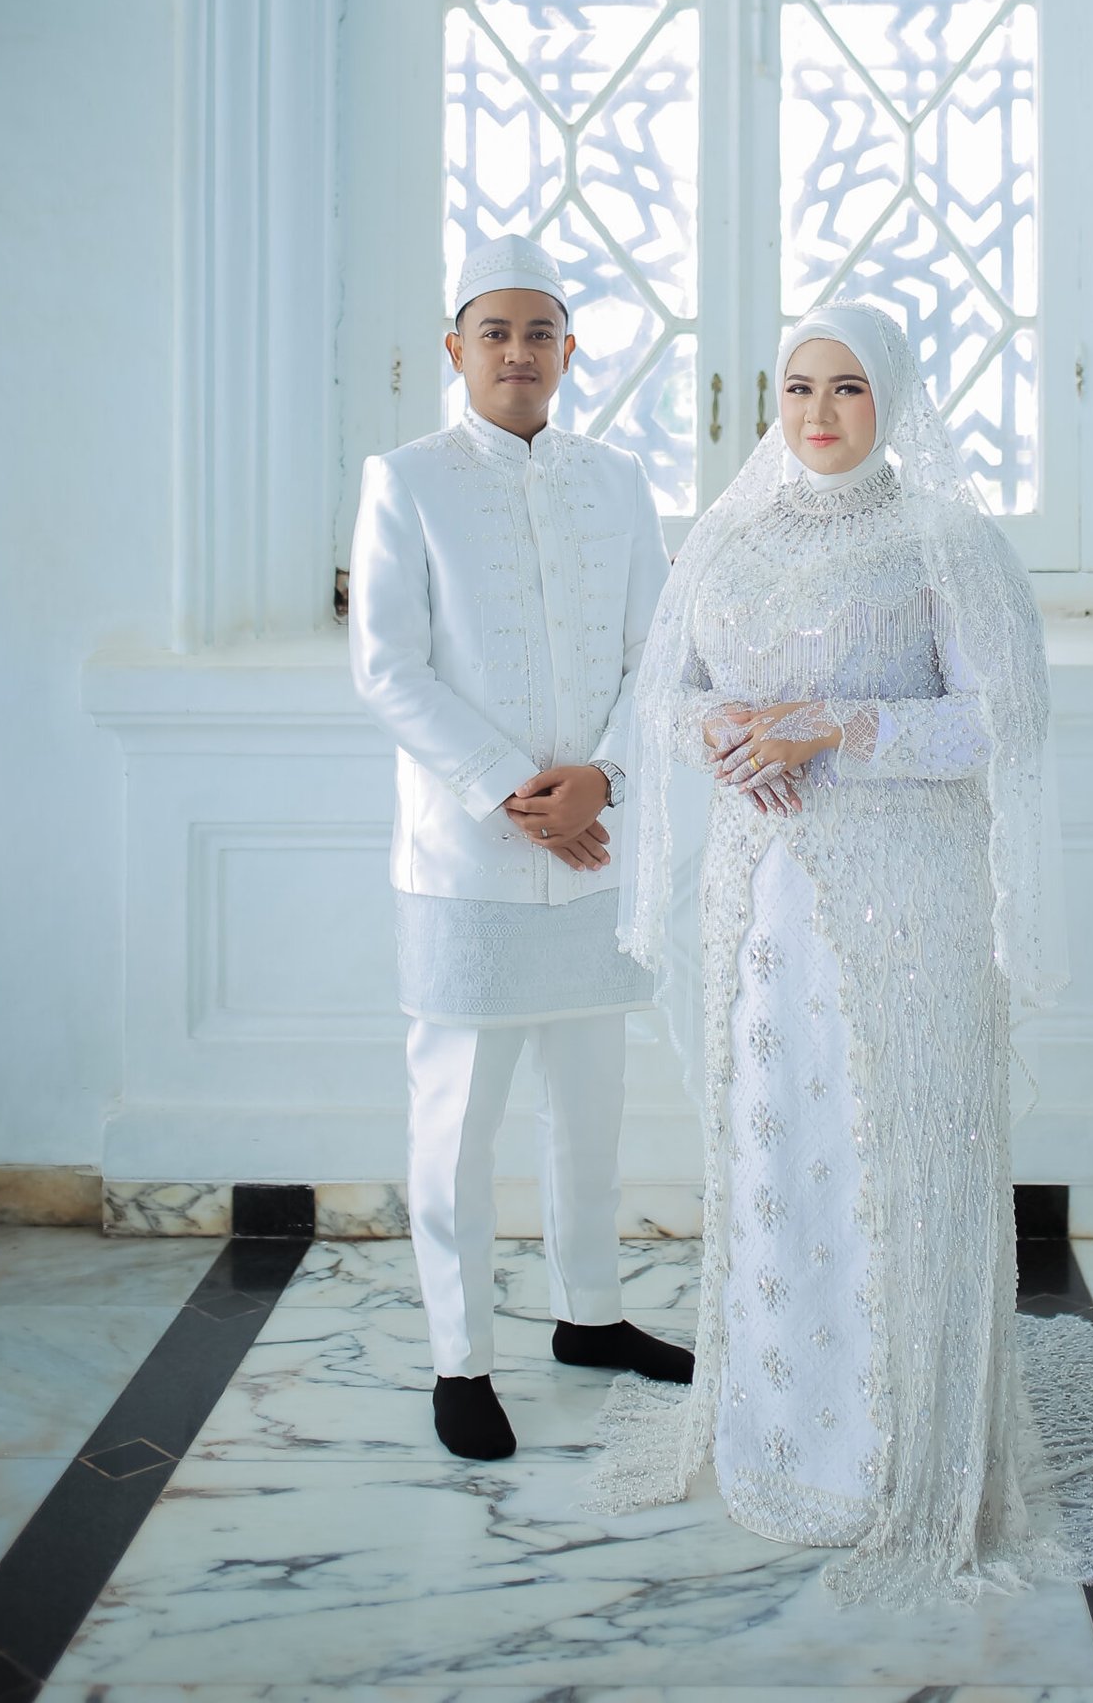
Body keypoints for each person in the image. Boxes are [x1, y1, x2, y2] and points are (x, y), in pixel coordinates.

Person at [593, 301, 1093, 1607]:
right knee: (777, 1153)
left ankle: (900, 1460)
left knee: (903, 1156)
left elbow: (1006, 719)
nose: (818, 412)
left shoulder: (946, 540)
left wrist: (829, 726)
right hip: (761, 911)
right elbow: (663, 695)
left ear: (893, 399)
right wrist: (733, 734)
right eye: (798, 387)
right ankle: (777, 1448)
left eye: (848, 387)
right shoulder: (729, 537)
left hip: (911, 910)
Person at [348, 233, 693, 1463]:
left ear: (569, 351)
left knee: (590, 1105)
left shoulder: (617, 481)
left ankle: (590, 1316)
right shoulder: (406, 480)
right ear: (455, 349)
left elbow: (661, 657)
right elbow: (387, 667)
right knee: (456, 1122)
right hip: (469, 857)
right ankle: (461, 1358)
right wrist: (513, 788)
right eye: (493, 332)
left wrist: (603, 779)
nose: (517, 352)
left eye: (539, 332)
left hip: (597, 849)